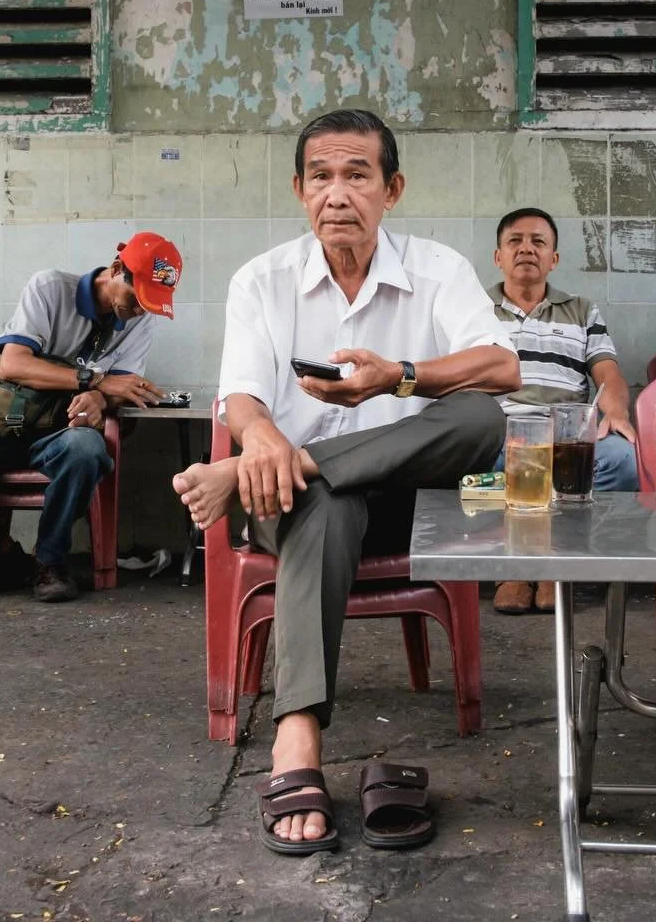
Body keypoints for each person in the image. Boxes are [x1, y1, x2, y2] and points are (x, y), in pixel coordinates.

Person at [171, 108, 519, 855]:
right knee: (325, 496)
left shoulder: (437, 271)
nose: (338, 193)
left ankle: (278, 472)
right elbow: (242, 396)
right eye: (321, 176)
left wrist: (398, 378)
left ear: (391, 189)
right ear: (299, 190)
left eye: (357, 175)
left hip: (413, 506)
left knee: (482, 419)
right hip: (290, 505)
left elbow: (502, 367)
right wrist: (259, 437)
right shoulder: (261, 281)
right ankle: (297, 738)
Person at [0, 232, 182, 603]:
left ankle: (50, 563)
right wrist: (94, 381)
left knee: (88, 451)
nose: (140, 310)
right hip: (1, 423)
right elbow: (14, 365)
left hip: (60, 433)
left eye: (150, 303)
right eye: (137, 298)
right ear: (115, 270)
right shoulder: (50, 288)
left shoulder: (139, 321)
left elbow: (118, 388)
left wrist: (97, 397)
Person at [486, 207, 638, 615]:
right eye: (514, 241)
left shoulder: (582, 310)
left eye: (539, 242)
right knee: (479, 460)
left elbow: (607, 375)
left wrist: (617, 413)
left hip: (566, 431)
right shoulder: (473, 309)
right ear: (497, 256)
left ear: (554, 258)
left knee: (622, 461)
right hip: (499, 430)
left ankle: (558, 564)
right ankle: (514, 569)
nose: (526, 249)